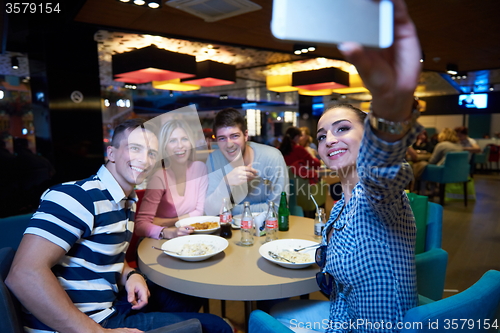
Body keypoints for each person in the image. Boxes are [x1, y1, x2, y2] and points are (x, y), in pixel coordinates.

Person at [270, 0, 422, 331]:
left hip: (377, 326)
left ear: (368, 135)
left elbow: (386, 168)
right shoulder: (344, 198)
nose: (329, 141)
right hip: (343, 313)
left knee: (264, 320)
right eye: (322, 135)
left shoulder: (376, 193)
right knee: (273, 313)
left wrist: (389, 111)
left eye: (342, 129)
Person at [6, 118, 231, 333]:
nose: (145, 159)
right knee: (217, 327)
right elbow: (24, 274)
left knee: (190, 292)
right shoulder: (76, 196)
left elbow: (106, 251)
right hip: (86, 321)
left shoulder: (126, 200)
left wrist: (130, 274)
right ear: (111, 153)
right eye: (135, 148)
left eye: (152, 153)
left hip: (111, 302)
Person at [205, 107, 288, 215]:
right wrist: (226, 183)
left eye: (234, 136)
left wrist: (229, 210)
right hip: (228, 230)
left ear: (246, 135)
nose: (229, 144)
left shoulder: (272, 157)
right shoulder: (213, 159)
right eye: (222, 138)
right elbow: (210, 211)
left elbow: (277, 209)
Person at [135, 119, 208, 240]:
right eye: (172, 140)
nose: (180, 145)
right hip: (159, 239)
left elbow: (200, 212)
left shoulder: (200, 168)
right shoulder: (159, 177)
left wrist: (164, 221)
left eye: (184, 139)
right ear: (164, 147)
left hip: (189, 235)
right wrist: (169, 228)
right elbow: (140, 226)